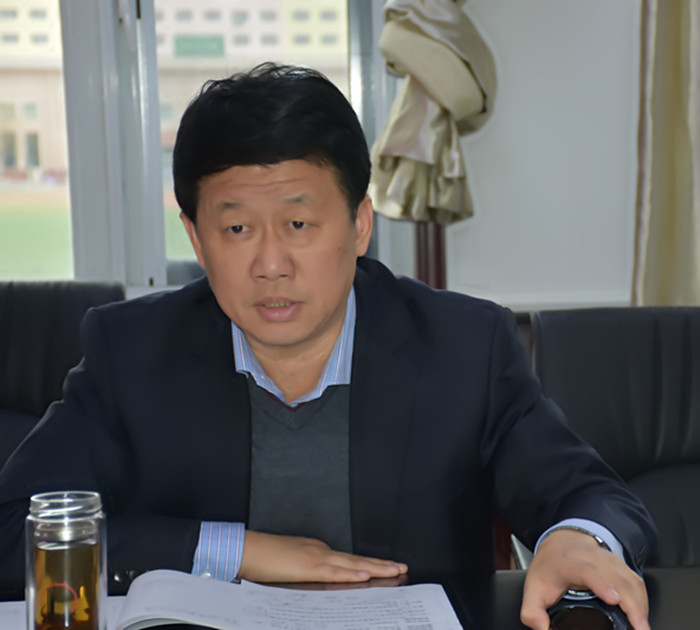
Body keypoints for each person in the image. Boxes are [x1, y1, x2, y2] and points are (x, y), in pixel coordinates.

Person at [0, 63, 655, 630]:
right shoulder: (132, 352)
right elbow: (12, 529)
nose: (271, 264)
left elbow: (590, 496)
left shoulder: (463, 348)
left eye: (298, 223)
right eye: (236, 229)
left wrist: (576, 539)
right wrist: (237, 551)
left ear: (360, 224)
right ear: (196, 239)